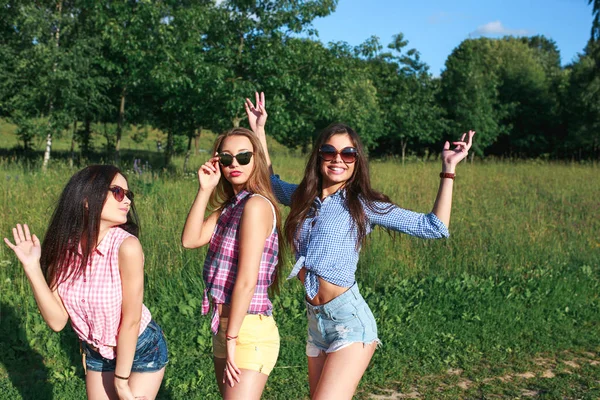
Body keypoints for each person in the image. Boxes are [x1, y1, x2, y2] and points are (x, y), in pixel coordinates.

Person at [245, 92, 475, 400]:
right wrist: (259, 131)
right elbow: (270, 183)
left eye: (348, 153)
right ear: (319, 156)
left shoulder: (364, 205)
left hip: (349, 322)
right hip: (316, 322)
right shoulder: (303, 197)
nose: (338, 159)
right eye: (329, 151)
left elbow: (433, 227)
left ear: (356, 161)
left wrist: (449, 169)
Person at [4, 165, 168, 400]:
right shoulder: (66, 248)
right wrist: (32, 267)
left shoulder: (127, 247)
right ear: (87, 199)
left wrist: (121, 383)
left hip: (141, 348)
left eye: (128, 194)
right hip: (97, 353)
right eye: (118, 192)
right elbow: (57, 321)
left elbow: (131, 321)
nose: (128, 201)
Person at [181, 127, 283, 399]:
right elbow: (190, 240)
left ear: (256, 160)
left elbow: (247, 280)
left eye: (243, 157)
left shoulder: (256, 206)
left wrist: (232, 340)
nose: (234, 164)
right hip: (226, 328)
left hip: (247, 331)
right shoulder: (230, 206)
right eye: (226, 159)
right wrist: (205, 189)